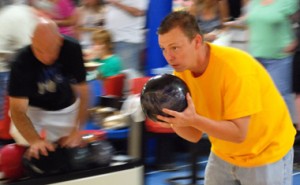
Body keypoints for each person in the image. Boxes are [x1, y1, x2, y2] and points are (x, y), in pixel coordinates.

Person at [156, 11, 295, 185]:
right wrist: (174, 120)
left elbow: (238, 133)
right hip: (224, 152)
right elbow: (193, 135)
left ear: (197, 41)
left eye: (175, 47)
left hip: (265, 151)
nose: (169, 56)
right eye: (164, 48)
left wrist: (194, 119)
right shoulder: (181, 73)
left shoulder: (235, 69)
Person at [8, 18, 89, 159]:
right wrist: (34, 140)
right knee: (31, 149)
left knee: (70, 150)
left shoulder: (72, 49)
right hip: (32, 110)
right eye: (39, 51)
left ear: (60, 41)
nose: (46, 57)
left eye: (51, 51)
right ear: (32, 41)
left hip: (65, 106)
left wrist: (77, 130)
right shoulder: (20, 61)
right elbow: (17, 110)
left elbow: (84, 94)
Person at [0, 4, 39, 144]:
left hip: (6, 66)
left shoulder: (14, 11)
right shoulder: (23, 14)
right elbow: (28, 46)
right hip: (4, 69)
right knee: (7, 116)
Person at [104, 0, 148, 75]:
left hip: (127, 41)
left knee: (128, 77)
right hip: (111, 40)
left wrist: (116, 3)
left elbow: (139, 12)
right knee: (112, 76)